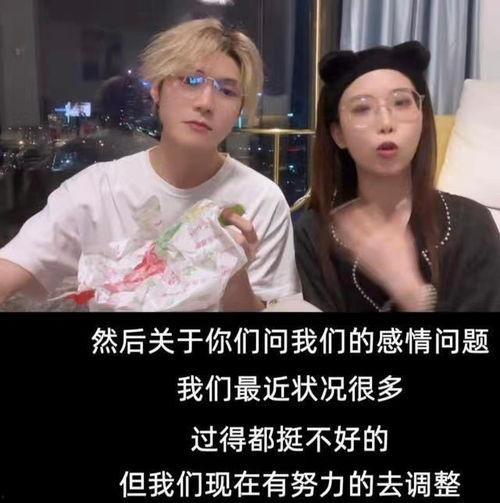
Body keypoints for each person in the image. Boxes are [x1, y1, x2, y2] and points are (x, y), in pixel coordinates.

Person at [0, 18, 301, 311]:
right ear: (157, 89)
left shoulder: (260, 201)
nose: (206, 102)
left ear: (240, 109)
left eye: (227, 91)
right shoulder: (97, 190)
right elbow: (11, 268)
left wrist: (234, 274)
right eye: (190, 80)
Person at [294, 41, 500, 312]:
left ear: (422, 117)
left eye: (401, 103)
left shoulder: (471, 223)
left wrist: (411, 292)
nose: (386, 123)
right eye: (362, 108)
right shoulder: (314, 232)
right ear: (338, 134)